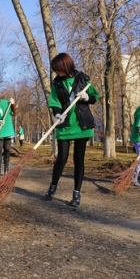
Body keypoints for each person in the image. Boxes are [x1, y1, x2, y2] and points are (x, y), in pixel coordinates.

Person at [44, 53, 99, 207]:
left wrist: (87, 97)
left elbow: (95, 96)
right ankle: (52, 188)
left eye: (58, 69)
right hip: (65, 124)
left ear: (65, 66)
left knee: (78, 159)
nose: (57, 72)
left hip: (82, 124)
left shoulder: (82, 78)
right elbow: (53, 101)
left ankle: (76, 193)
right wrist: (57, 114)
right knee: (61, 158)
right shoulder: (57, 83)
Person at [130, 106, 140, 187]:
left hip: (137, 138)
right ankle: (134, 179)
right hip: (138, 138)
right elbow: (138, 127)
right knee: (139, 160)